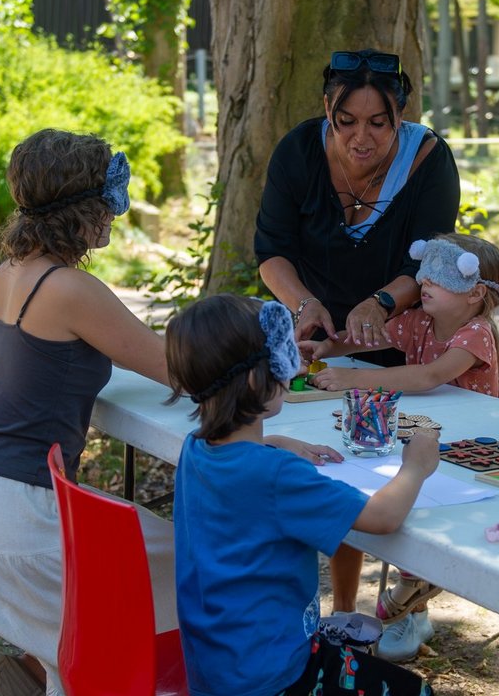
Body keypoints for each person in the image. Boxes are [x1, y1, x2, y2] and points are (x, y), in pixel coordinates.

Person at [0, 129, 336, 696]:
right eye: (105, 203)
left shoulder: (8, 274)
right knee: (189, 562)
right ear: (80, 211)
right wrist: (272, 356)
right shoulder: (69, 287)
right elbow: (184, 370)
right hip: (16, 522)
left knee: (141, 565)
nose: (112, 217)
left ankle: (46, 670)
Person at [254, 47, 461, 616]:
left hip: (397, 343)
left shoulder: (428, 159)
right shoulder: (298, 150)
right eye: (347, 122)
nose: (361, 139)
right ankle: (344, 613)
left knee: (394, 466)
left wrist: (383, 301)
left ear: (401, 115)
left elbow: (433, 262)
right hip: (319, 339)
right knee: (338, 467)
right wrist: (305, 305)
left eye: (378, 123)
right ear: (327, 109)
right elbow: (271, 252)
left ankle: (408, 605)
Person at [165, 294, 440, 696]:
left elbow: (244, 467)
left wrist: (275, 441)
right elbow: (382, 517)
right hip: (277, 674)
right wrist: (415, 466)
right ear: (259, 380)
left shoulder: (196, 447)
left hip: (217, 665)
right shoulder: (277, 475)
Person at [302, 233, 499, 661]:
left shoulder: (475, 332)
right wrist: (326, 348)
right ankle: (415, 586)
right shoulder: (419, 321)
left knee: (474, 517)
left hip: (476, 449)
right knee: (400, 495)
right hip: (432, 439)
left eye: (437, 281)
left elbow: (428, 378)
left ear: (474, 293)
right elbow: (365, 339)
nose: (423, 285)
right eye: (424, 277)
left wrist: (353, 379)